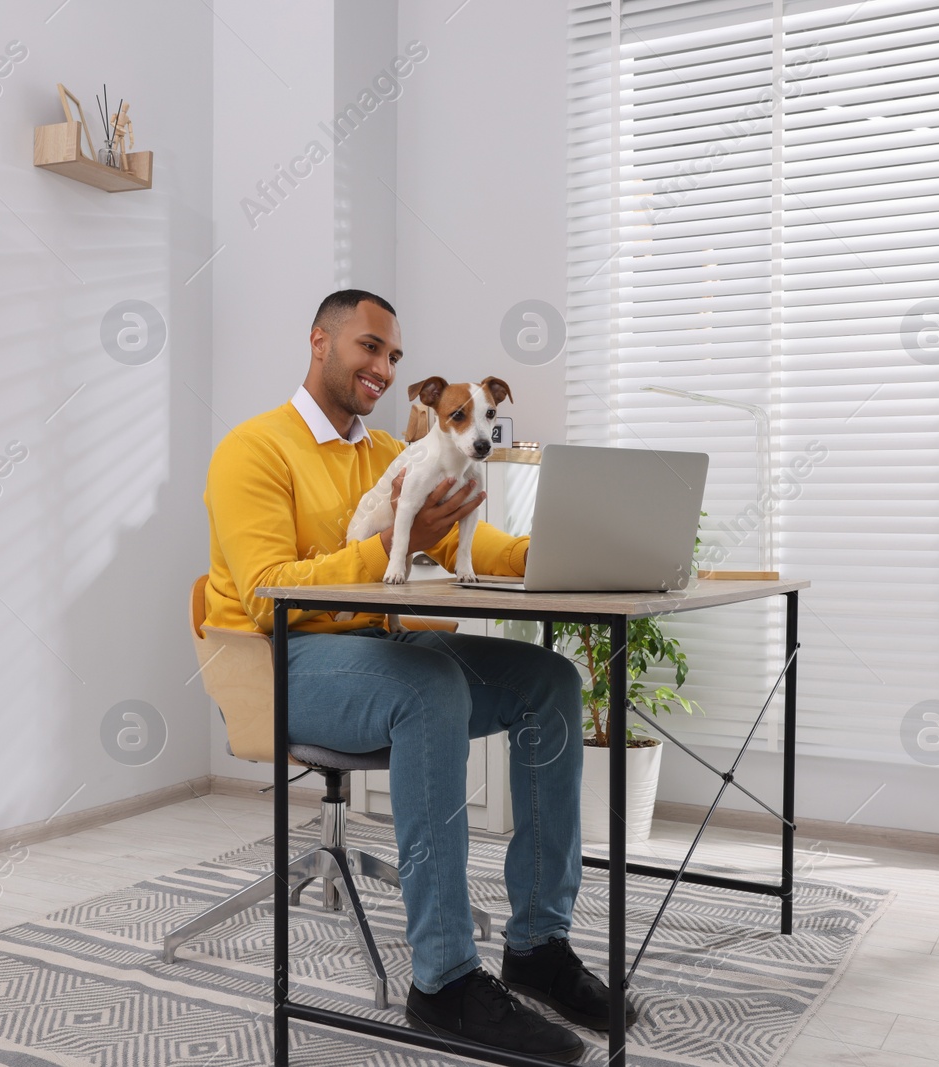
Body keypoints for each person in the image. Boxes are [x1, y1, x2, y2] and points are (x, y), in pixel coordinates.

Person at [202, 289, 634, 1060]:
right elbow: (269, 584)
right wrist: (399, 547)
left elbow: (482, 539)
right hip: (284, 659)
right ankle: (443, 980)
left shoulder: (384, 455)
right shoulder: (254, 447)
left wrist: (571, 551)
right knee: (427, 687)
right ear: (320, 343)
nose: (384, 367)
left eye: (395, 355)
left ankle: (536, 943)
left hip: (382, 648)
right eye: (370, 346)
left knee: (552, 684)